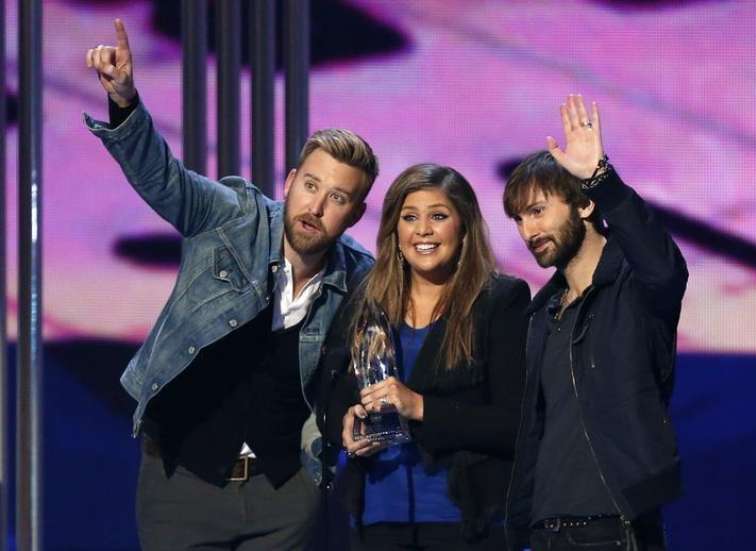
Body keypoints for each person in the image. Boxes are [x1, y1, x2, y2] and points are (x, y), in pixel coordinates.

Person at [85, 19, 379, 550]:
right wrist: (125, 103)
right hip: (181, 484)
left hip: (283, 495)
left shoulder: (357, 277)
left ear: (355, 214)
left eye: (336, 198)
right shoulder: (231, 216)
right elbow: (163, 178)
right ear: (289, 184)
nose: (315, 207)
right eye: (310, 186)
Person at [502, 95, 688, 551]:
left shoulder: (635, 289)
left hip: (614, 529)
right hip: (547, 533)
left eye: (539, 210)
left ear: (584, 206)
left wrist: (602, 179)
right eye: (519, 219)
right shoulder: (541, 314)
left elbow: (665, 268)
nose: (528, 231)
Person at [317, 163, 531, 550]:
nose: (423, 230)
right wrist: (344, 425)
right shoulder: (366, 301)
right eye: (410, 217)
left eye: (438, 216)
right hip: (377, 521)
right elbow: (332, 401)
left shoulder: (500, 301)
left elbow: (516, 425)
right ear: (394, 232)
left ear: (463, 226)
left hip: (464, 524)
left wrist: (420, 407)